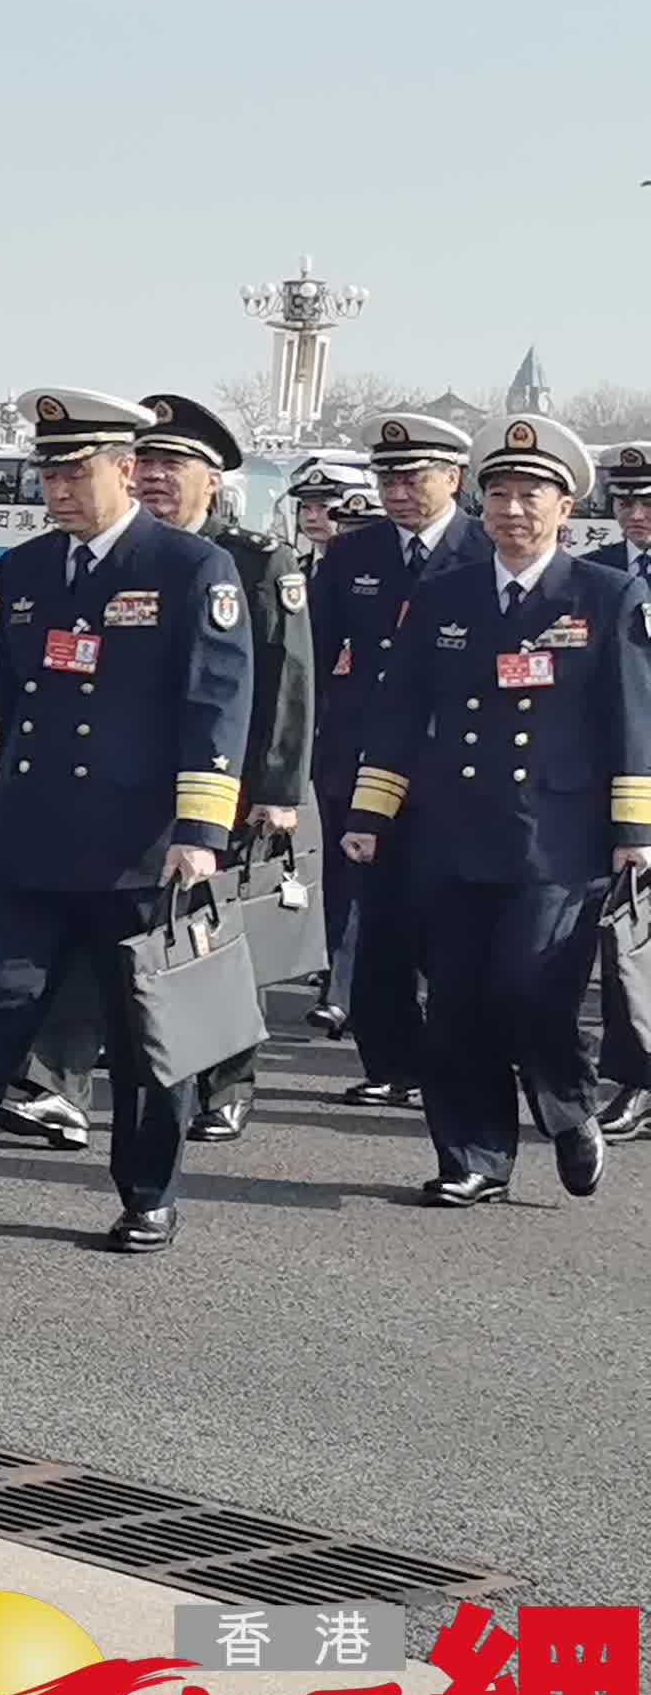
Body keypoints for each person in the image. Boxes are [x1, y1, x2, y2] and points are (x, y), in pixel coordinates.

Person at [0, 389, 251, 1259]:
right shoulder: (26, 572)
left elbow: (215, 706)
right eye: (49, 471)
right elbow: (13, 700)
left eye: (75, 471)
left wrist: (201, 829)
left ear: (125, 469)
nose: (59, 489)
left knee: (146, 1030)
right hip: (34, 836)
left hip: (141, 846)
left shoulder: (189, 568)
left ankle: (148, 1192)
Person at [340, 415, 647, 1206]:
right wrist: (371, 814)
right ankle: (473, 1156)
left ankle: (570, 1105)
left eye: (531, 495)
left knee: (528, 988)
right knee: (456, 1001)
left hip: (559, 840)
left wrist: (635, 832)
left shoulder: (609, 597)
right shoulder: (443, 599)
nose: (513, 510)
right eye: (499, 494)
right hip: (453, 828)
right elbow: (399, 712)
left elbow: (634, 719)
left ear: (566, 507)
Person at [115, 394, 309, 1146]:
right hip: (134, 782)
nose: (155, 479)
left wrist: (277, 790)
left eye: (174, 465)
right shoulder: (126, 553)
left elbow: (289, 681)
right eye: (147, 463)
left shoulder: (258, 558)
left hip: (226, 783)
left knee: (213, 936)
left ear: (214, 481)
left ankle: (228, 1079)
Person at [306, 413, 482, 1106]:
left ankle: (456, 1063)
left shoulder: (483, 548)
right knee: (375, 921)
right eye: (388, 477)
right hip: (365, 758)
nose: (399, 491)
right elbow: (313, 660)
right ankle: (391, 1062)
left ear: (455, 479)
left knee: (453, 926)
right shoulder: (353, 556)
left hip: (459, 766)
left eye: (414, 477)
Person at [590, 445, 651, 1140]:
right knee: (630, 941)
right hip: (624, 777)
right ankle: (634, 1078)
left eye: (647, 502)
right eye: (625, 501)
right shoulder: (597, 575)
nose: (636, 515)